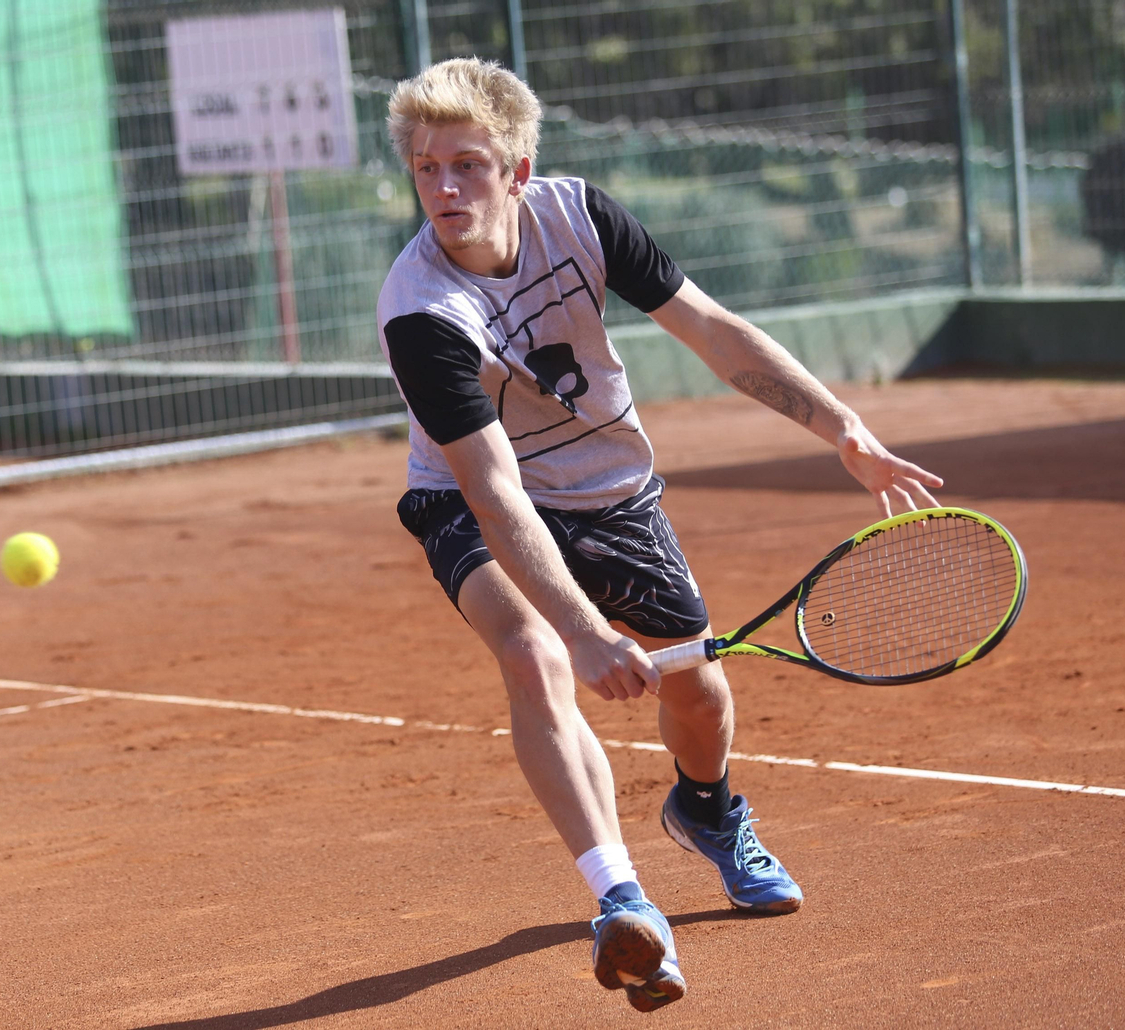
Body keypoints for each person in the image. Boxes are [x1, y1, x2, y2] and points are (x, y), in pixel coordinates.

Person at [376, 58, 942, 1013]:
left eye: (467, 165)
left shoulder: (581, 218)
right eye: (427, 168)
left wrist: (841, 427)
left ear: (516, 171)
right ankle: (621, 902)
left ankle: (710, 811)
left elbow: (711, 330)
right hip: (473, 496)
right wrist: (585, 634)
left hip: (608, 481)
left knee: (699, 691)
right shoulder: (421, 313)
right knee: (532, 654)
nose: (443, 188)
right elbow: (494, 488)